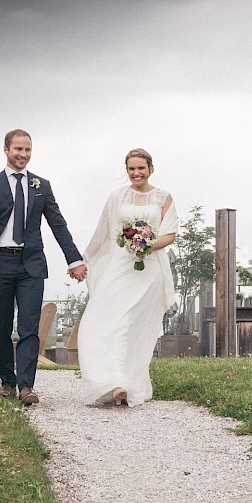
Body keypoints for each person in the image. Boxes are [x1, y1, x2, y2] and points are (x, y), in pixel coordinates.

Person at [0, 129, 87, 405]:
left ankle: (27, 386)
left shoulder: (41, 185)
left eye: (27, 150)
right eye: (18, 150)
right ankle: (7, 382)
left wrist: (75, 259)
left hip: (31, 264)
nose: (23, 155)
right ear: (6, 150)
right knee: (1, 325)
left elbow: (57, 224)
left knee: (29, 327)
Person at [77, 148, 177, 406]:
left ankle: (127, 382)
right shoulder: (117, 197)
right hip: (119, 266)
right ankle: (111, 381)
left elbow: (170, 234)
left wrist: (146, 246)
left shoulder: (163, 197)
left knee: (134, 325)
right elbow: (102, 232)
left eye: (141, 168)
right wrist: (83, 260)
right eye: (131, 169)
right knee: (105, 319)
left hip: (149, 269)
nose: (136, 173)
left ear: (150, 169)